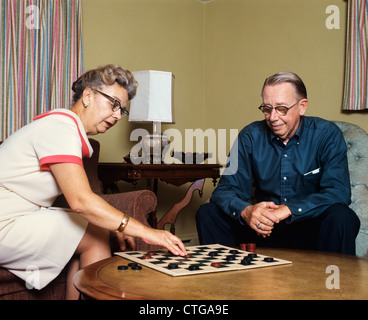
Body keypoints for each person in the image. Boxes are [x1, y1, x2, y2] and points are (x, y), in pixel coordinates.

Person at [0, 64, 186, 299]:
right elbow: (81, 201)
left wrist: (112, 222)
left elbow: (81, 198)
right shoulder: (60, 127)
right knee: (94, 234)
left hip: (14, 217)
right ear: (88, 96)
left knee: (94, 228)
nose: (118, 115)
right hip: (5, 222)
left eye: (123, 110)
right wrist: (145, 231)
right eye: (114, 104)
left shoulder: (64, 128)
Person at [196, 71, 360, 255]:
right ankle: (225, 281)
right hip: (262, 230)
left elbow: (338, 192)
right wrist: (247, 211)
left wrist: (289, 209)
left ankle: (335, 282)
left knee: (342, 218)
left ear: (302, 107)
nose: (272, 117)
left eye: (281, 109)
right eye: (267, 109)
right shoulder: (250, 136)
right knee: (208, 214)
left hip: (310, 228)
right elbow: (225, 190)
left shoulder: (327, 135)